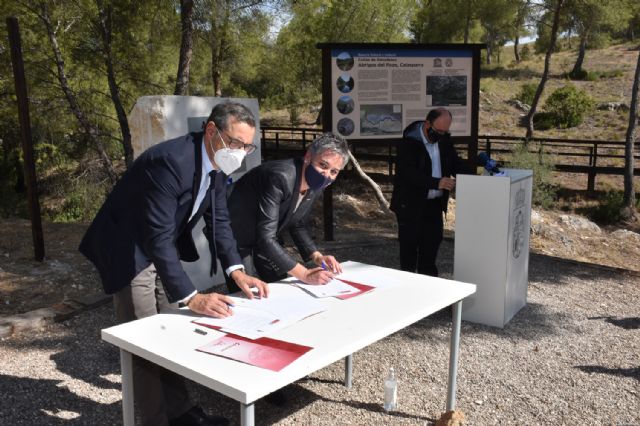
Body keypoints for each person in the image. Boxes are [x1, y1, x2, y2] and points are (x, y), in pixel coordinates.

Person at [79, 102, 268, 426]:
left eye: (246, 146)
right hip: (128, 249)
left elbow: (219, 221)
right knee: (144, 340)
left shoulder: (217, 164)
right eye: (235, 142)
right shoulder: (170, 162)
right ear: (212, 131)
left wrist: (236, 270)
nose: (239, 152)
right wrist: (192, 297)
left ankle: (181, 412)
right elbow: (157, 236)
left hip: (158, 247)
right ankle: (156, 421)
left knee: (170, 331)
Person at [226, 133, 350, 288]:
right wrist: (305, 274)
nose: (326, 175)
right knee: (245, 288)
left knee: (280, 282)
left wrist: (317, 256)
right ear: (308, 156)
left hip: (264, 233)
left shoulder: (317, 184)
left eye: (334, 171)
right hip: (235, 229)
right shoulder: (280, 176)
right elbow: (266, 238)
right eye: (323, 165)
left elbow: (298, 223)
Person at [390, 107, 472, 277]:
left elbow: (456, 164)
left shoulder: (444, 141)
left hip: (434, 206)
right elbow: (408, 174)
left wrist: (477, 177)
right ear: (427, 124)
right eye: (438, 131)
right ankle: (407, 288)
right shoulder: (408, 143)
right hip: (409, 206)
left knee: (430, 253)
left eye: (445, 131)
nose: (441, 135)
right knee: (408, 254)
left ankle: (429, 288)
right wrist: (436, 183)